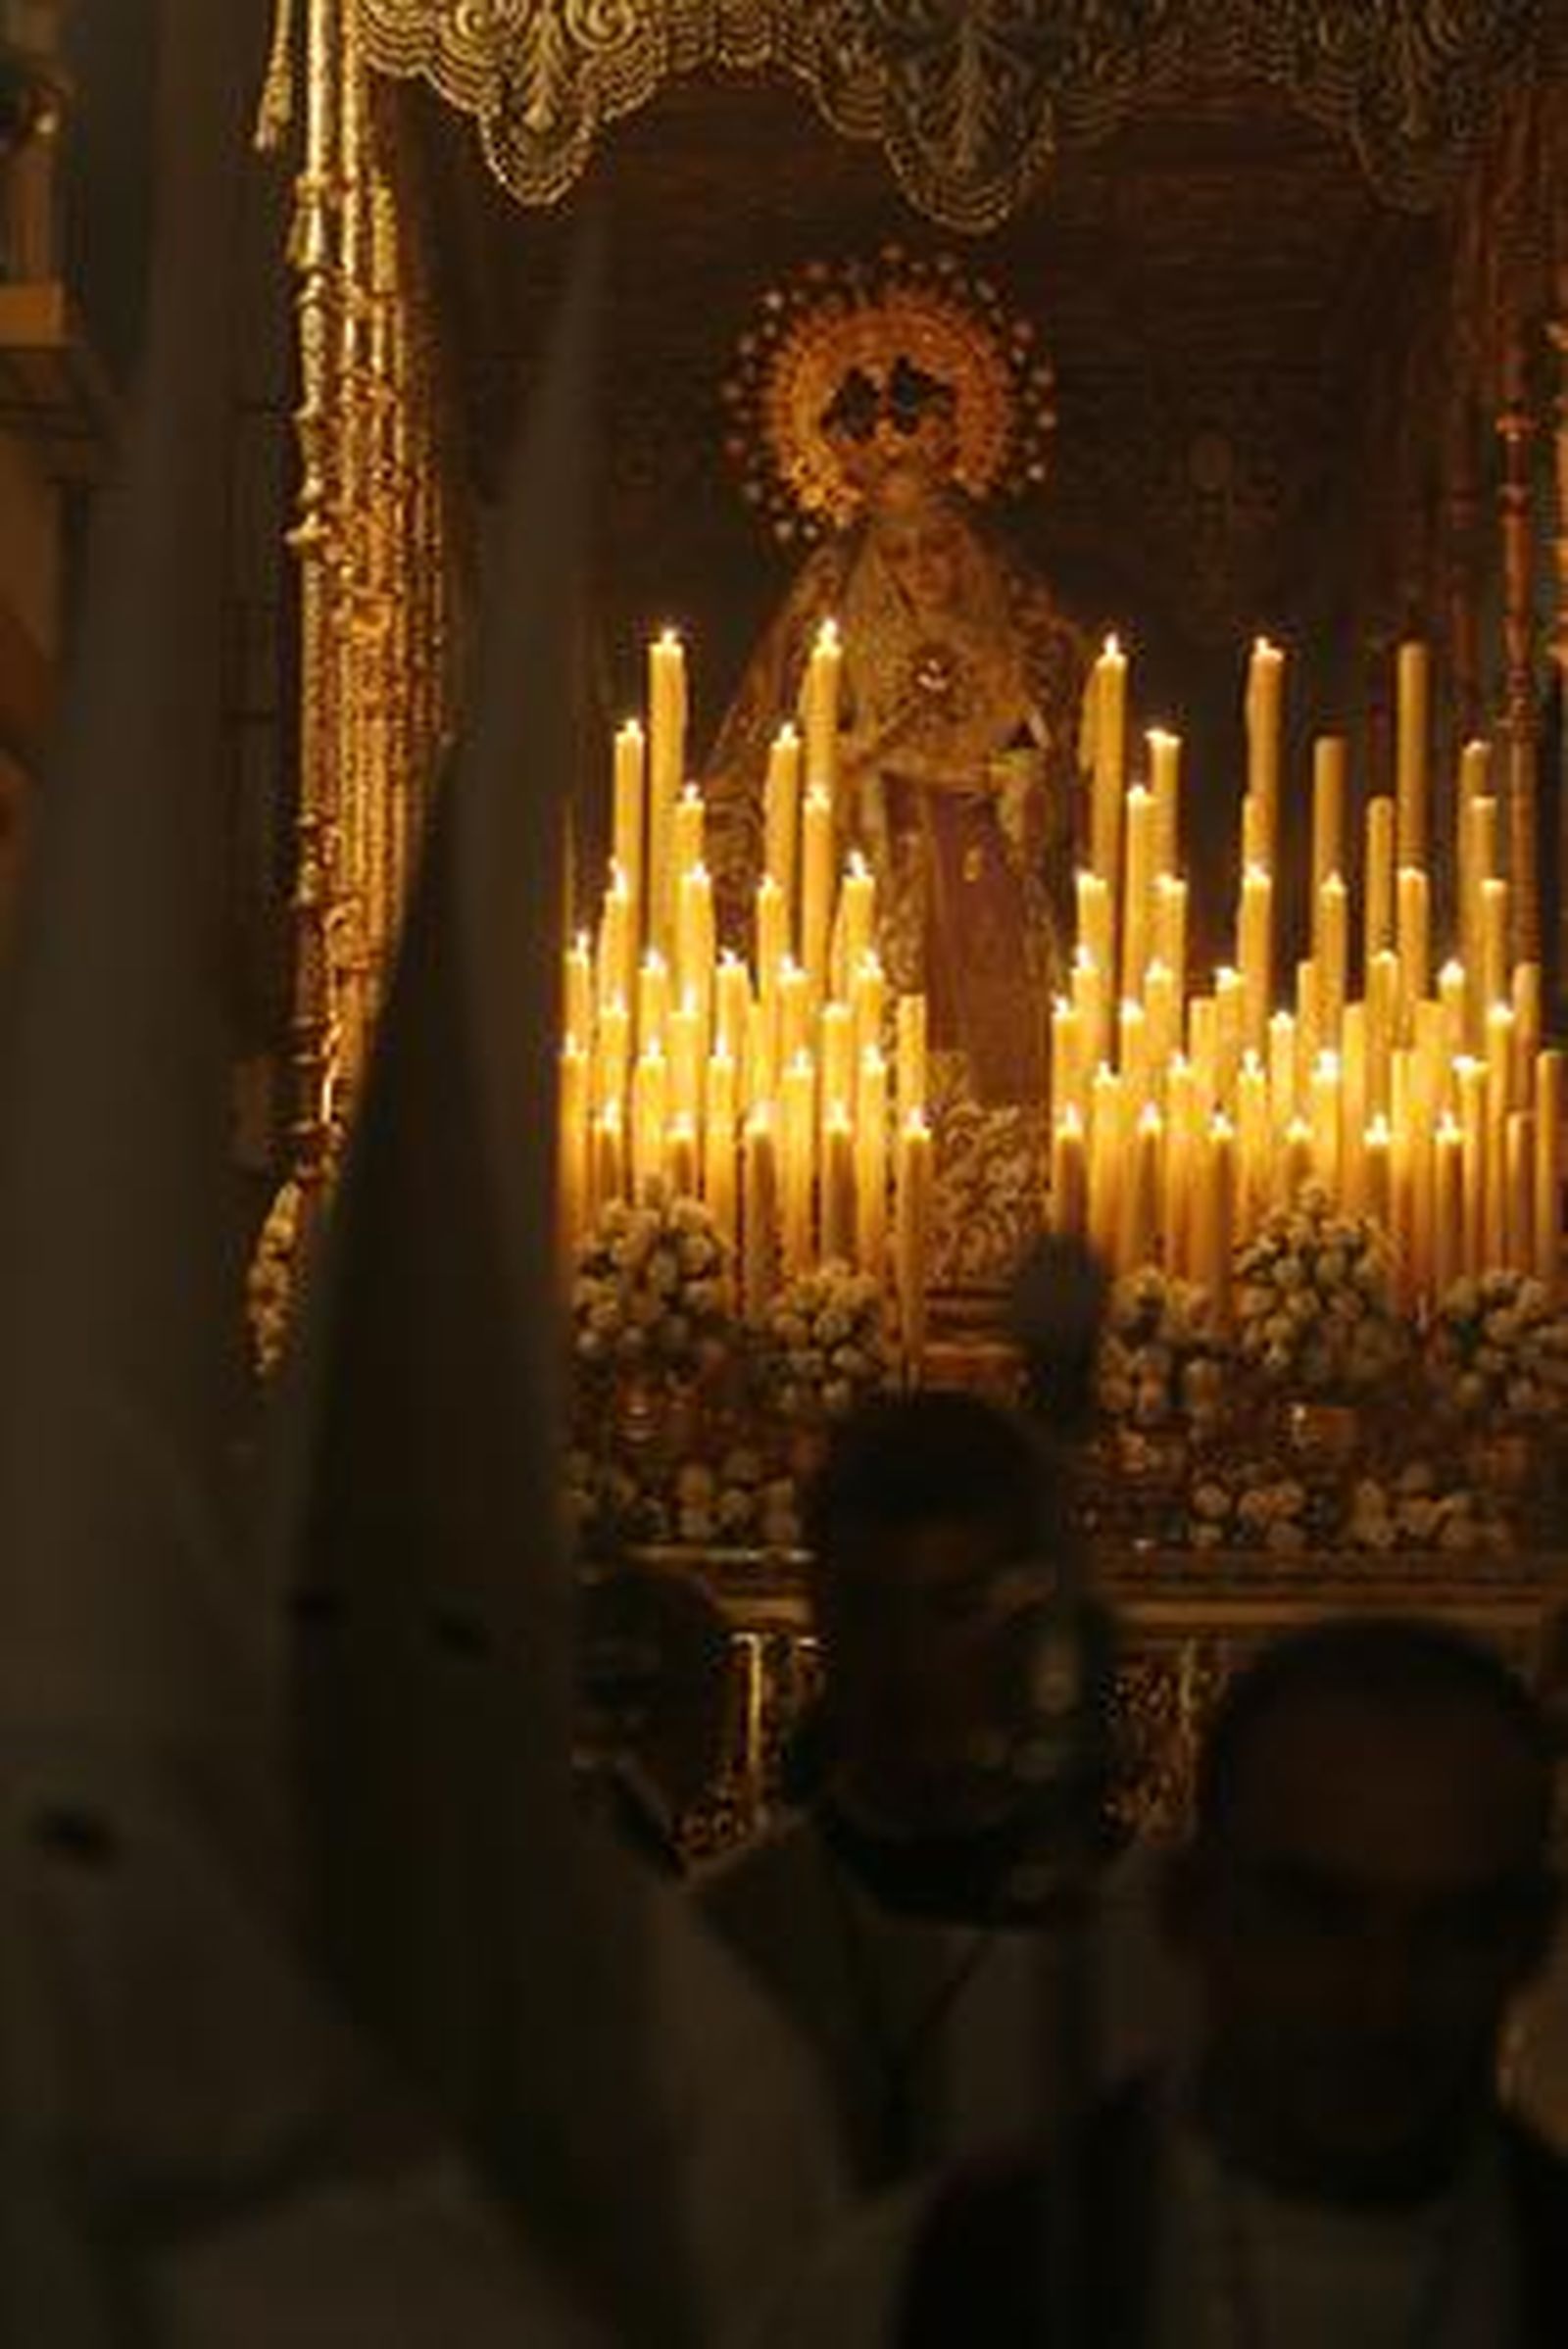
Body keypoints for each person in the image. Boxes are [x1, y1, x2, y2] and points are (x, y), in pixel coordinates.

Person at [760, 1612, 1568, 2345]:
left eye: (1455, 1928)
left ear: (1531, 1939)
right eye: (1316, 1916)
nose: (1381, 1993)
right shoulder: (918, 2286)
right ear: (1192, 1909)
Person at [706, 278, 1092, 1291]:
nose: (924, 568)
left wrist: (1025, 778)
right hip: (874, 891)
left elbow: (1081, 744)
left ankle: (1004, 1242)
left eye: (937, 548)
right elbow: (767, 755)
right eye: (903, 550)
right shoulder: (827, 606)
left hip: (993, 889)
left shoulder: (1017, 611)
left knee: (1011, 1086)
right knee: (877, 1081)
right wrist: (845, 773)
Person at [695, 1390, 1181, 2193]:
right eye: (869, 1609)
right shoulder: (726, 1934)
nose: (908, 1662)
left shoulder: (1169, 1935)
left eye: (956, 1608)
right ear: (820, 1611)